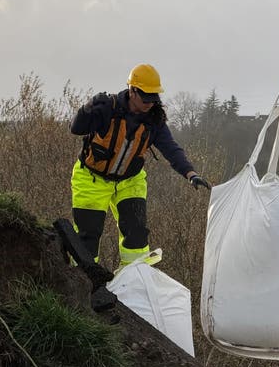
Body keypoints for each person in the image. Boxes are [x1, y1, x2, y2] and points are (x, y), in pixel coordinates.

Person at [69, 63, 211, 268]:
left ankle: (134, 281)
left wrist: (190, 174)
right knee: (87, 237)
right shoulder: (107, 108)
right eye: (145, 96)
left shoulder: (155, 120)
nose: (149, 103)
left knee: (136, 235)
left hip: (130, 181)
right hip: (91, 179)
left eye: (154, 97)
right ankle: (84, 283)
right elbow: (76, 128)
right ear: (132, 91)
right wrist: (86, 109)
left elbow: (171, 149)